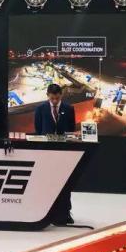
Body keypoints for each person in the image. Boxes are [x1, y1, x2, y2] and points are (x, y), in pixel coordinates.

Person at [34, 83, 76, 225]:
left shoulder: (69, 109)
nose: (55, 101)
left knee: (65, 183)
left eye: (57, 98)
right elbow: (38, 129)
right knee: (46, 183)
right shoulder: (40, 109)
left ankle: (66, 212)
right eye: (52, 98)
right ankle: (46, 212)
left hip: (64, 152)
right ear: (47, 95)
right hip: (46, 152)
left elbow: (71, 129)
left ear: (61, 95)